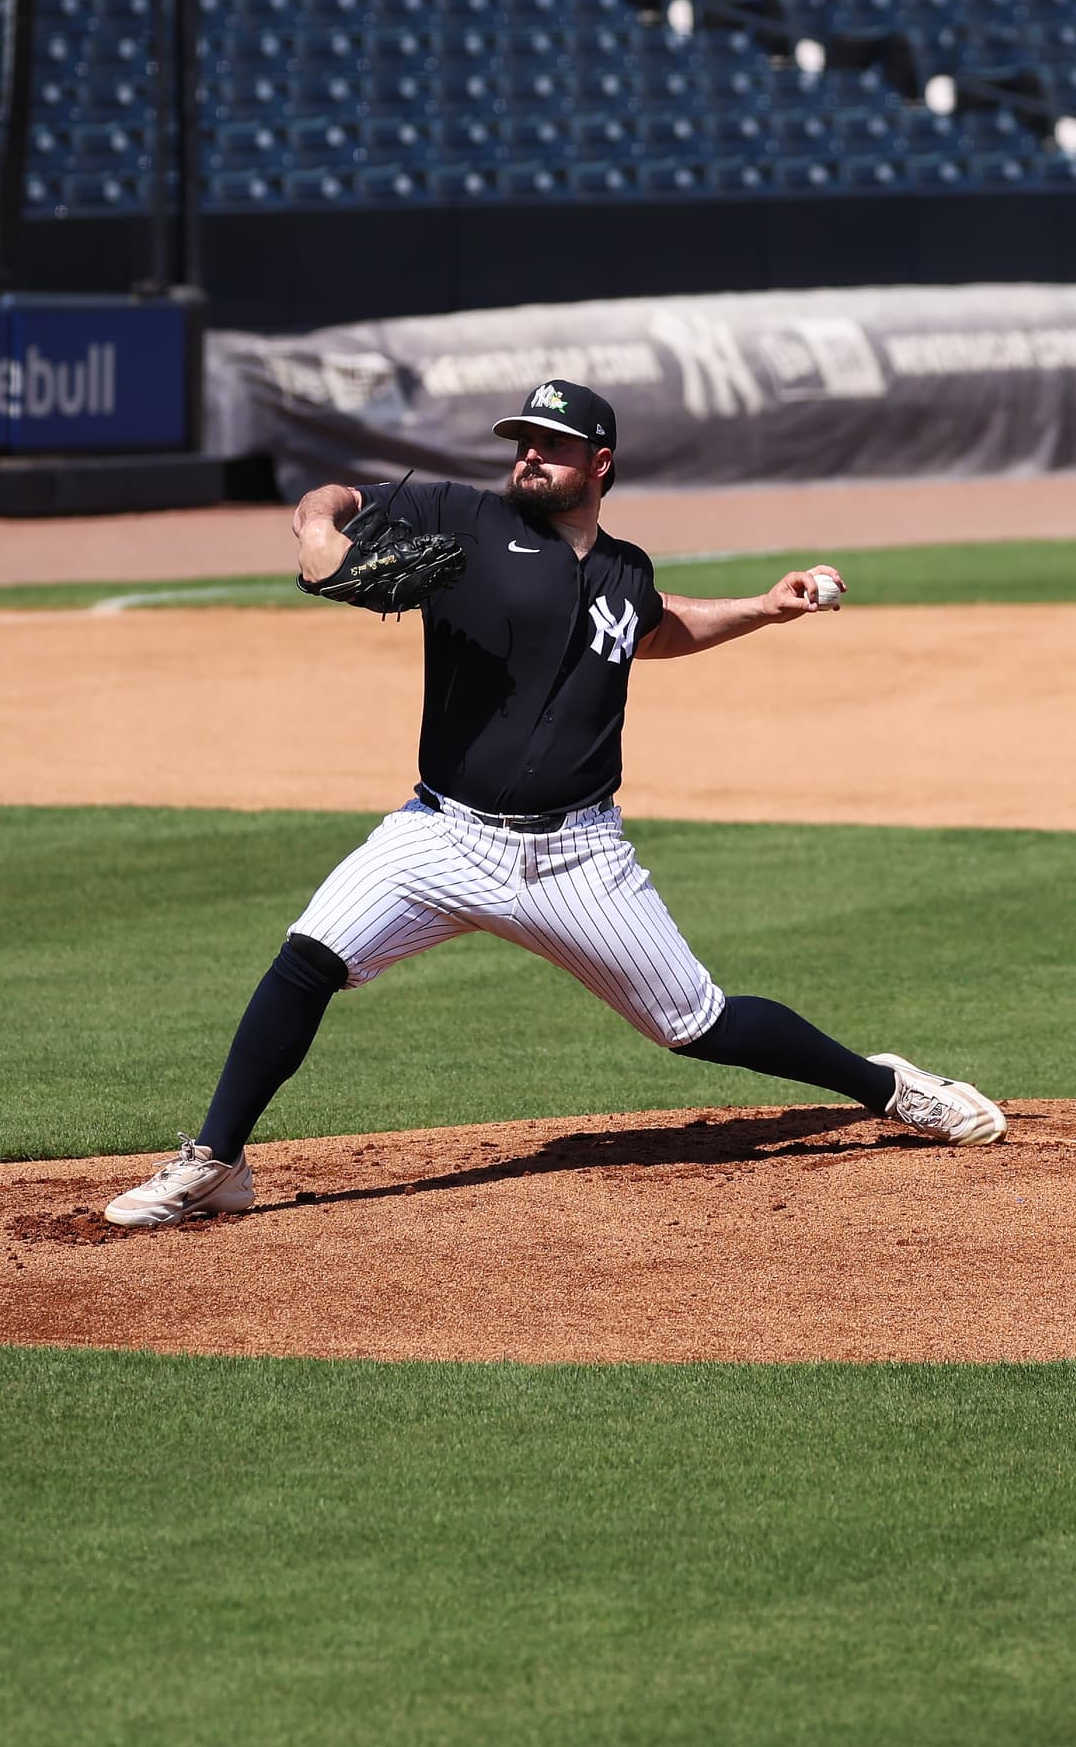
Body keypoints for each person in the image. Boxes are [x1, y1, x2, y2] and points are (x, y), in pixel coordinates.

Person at [103, 377, 1005, 1228]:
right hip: (441, 836)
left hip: (578, 857)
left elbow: (654, 628)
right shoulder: (461, 516)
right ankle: (217, 1160)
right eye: (523, 440)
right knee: (308, 959)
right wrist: (317, 534)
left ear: (599, 463)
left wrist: (765, 608)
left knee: (697, 1023)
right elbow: (330, 497)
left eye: (553, 444)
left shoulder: (624, 569)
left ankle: (890, 1088)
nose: (529, 454)